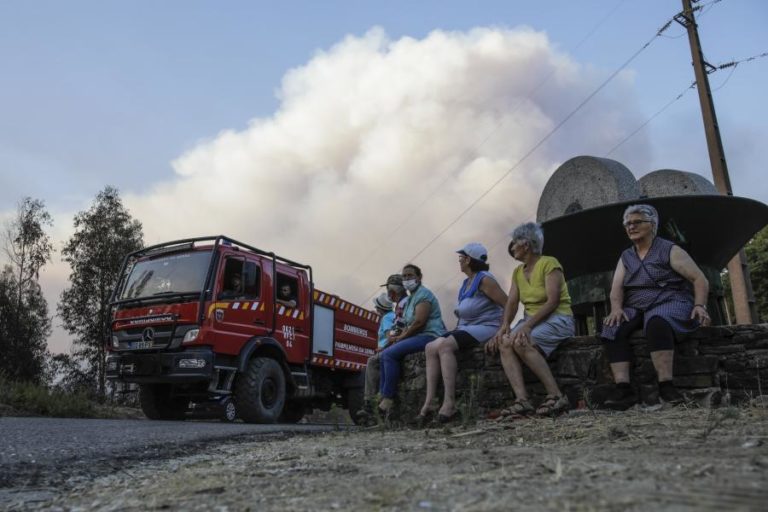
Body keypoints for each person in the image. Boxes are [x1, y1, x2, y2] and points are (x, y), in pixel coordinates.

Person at [601, 204, 710, 409]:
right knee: (612, 327)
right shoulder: (626, 256)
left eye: (636, 222)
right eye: (627, 223)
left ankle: (666, 386)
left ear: (652, 225)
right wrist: (616, 309)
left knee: (657, 323)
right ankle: (623, 389)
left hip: (669, 299)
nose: (631, 227)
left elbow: (699, 278)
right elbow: (616, 289)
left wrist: (700, 305)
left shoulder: (669, 249)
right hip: (637, 304)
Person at [486, 222, 575, 417]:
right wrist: (505, 326)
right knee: (505, 343)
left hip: (558, 319)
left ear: (526, 244)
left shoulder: (550, 264)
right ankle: (522, 401)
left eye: (514, 242)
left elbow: (553, 302)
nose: (512, 247)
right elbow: (512, 302)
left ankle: (556, 395)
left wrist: (526, 326)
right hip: (532, 321)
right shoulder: (518, 272)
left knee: (521, 342)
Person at [417, 243, 507, 424]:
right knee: (429, 347)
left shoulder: (485, 280)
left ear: (469, 260)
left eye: (461, 258)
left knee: (444, 345)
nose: (459, 261)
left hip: (487, 326)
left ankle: (449, 404)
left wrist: (501, 331)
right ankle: (430, 402)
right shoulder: (466, 283)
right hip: (468, 328)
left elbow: (508, 303)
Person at [378, 264, 446, 415]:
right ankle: (382, 396)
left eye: (410, 275)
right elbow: (404, 323)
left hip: (429, 335)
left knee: (389, 355)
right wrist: (394, 338)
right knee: (385, 353)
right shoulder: (410, 300)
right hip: (416, 335)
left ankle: (388, 398)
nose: (407, 279)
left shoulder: (423, 295)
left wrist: (401, 337)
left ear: (419, 277)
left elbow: (419, 323)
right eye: (404, 276)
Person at [357, 274, 407, 424]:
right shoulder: (395, 313)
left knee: (372, 363)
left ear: (379, 308)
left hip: (389, 347)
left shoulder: (386, 318)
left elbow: (389, 335)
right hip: (394, 345)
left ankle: (369, 403)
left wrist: (383, 347)